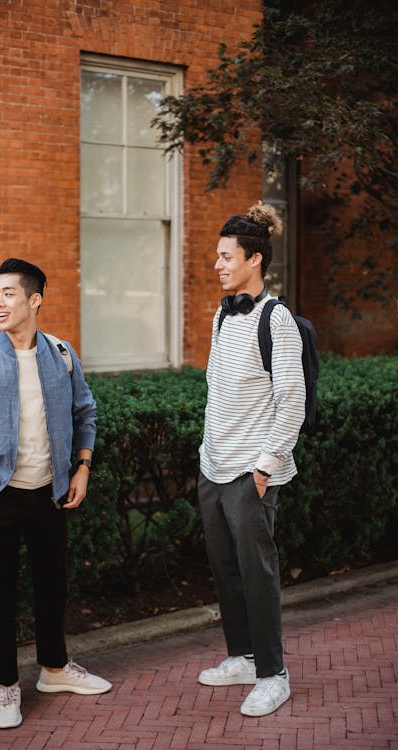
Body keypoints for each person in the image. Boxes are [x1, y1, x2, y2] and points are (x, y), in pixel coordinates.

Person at [0, 258, 111, 730]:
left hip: (50, 492)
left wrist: (82, 468)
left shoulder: (61, 355)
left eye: (8, 294)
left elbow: (86, 413)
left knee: (52, 585)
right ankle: (6, 686)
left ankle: (55, 670)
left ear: (34, 300)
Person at [197, 202, 305, 717]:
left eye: (225, 257)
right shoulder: (221, 313)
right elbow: (217, 390)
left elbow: (293, 400)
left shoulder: (276, 318)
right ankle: (240, 657)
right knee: (226, 570)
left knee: (257, 573)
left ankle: (273, 674)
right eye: (215, 256)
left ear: (254, 260)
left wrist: (264, 467)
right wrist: (206, 456)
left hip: (250, 473)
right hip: (214, 468)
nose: (216, 265)